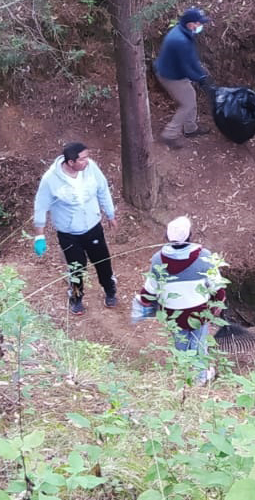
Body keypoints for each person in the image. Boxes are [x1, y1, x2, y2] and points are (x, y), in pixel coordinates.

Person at [131, 215, 228, 384]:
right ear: (190, 236)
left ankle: (183, 372)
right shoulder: (204, 256)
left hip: (173, 313)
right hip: (199, 312)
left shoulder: (157, 259)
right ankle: (200, 377)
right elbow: (217, 288)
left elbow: (148, 291)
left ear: (167, 238)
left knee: (180, 340)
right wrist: (218, 304)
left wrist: (144, 304)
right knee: (199, 342)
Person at [31, 142, 117, 315]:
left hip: (93, 227)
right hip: (69, 234)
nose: (87, 161)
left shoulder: (91, 168)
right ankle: (76, 298)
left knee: (103, 262)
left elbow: (102, 189)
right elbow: (40, 206)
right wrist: (39, 236)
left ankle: (110, 291)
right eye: (83, 158)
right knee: (76, 268)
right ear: (71, 162)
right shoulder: (50, 179)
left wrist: (110, 213)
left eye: (87, 157)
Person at [152, 5, 214, 149]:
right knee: (187, 103)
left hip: (172, 70)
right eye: (200, 23)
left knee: (190, 96)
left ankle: (190, 128)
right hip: (171, 76)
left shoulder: (184, 31)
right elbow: (186, 67)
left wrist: (202, 74)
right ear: (191, 24)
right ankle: (169, 134)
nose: (201, 25)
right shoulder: (180, 40)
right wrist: (201, 79)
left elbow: (191, 60)